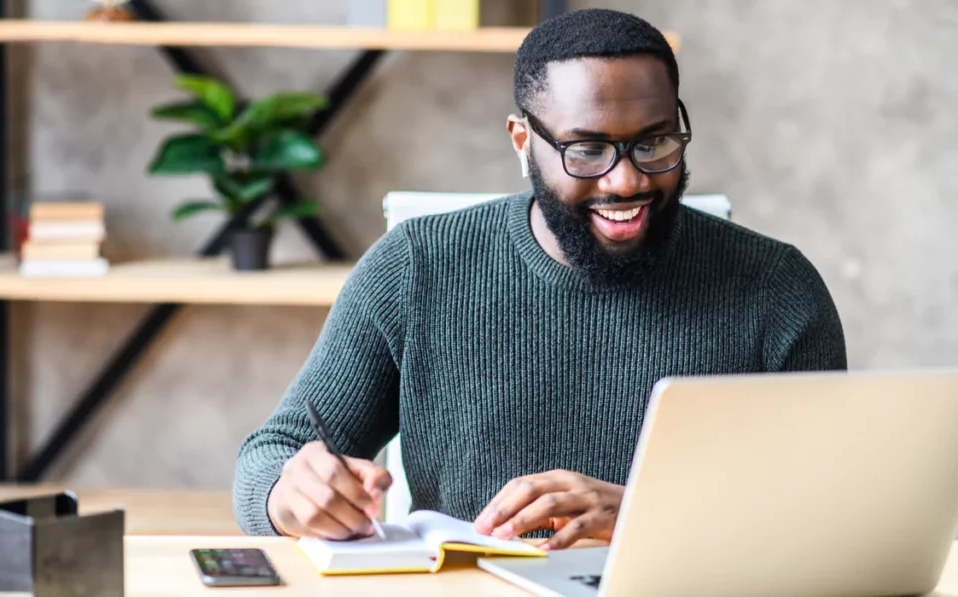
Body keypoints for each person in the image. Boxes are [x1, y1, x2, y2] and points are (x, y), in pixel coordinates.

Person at [233, 8, 847, 551]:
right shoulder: (416, 268)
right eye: (586, 150)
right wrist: (292, 494)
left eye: (654, 143)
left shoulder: (777, 288)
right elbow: (268, 459)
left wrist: (638, 513)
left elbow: (834, 510)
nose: (625, 181)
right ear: (523, 142)